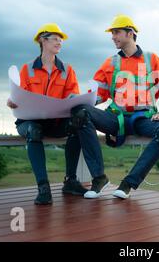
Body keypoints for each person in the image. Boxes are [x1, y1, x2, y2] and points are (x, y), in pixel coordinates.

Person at [70, 14, 159, 199]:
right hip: (115, 118)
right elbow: (96, 95)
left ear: (130, 33)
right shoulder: (110, 63)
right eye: (112, 33)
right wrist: (74, 100)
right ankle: (99, 178)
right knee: (80, 112)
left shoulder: (150, 59)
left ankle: (128, 183)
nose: (113, 37)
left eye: (116, 32)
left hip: (143, 119)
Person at [7, 23, 107, 205]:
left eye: (61, 39)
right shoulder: (27, 69)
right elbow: (18, 95)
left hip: (56, 122)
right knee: (34, 131)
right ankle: (43, 188)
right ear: (42, 40)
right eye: (55, 38)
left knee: (79, 123)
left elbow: (72, 96)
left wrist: (80, 99)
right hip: (30, 122)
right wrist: (12, 101)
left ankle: (70, 181)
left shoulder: (68, 70)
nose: (60, 41)